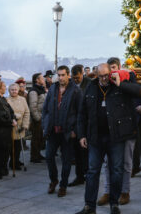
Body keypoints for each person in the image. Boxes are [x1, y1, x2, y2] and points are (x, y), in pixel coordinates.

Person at [74, 63, 141, 214]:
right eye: (101, 76)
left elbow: (139, 92)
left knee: (117, 170)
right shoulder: (91, 87)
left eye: (107, 75)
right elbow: (82, 113)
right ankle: (89, 206)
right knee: (92, 171)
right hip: (95, 137)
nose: (105, 78)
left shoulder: (118, 84)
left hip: (115, 138)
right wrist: (81, 135)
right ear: (96, 75)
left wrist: (120, 84)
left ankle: (114, 203)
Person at [98, 57, 138, 206]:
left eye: (114, 68)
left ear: (120, 68)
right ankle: (108, 191)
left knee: (127, 163)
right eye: (109, 69)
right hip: (111, 130)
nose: (111, 72)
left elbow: (138, 91)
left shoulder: (127, 79)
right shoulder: (105, 85)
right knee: (108, 163)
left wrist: (121, 82)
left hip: (127, 128)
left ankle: (125, 191)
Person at [43, 65, 82, 197]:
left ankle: (63, 185)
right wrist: (45, 124)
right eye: (58, 75)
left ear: (68, 75)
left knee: (66, 161)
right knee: (49, 157)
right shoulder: (53, 88)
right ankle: (53, 180)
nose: (60, 78)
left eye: (63, 75)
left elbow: (80, 113)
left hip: (67, 131)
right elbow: (45, 109)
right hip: (53, 130)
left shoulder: (76, 91)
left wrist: (75, 130)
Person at [71, 64, 90, 186]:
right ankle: (79, 176)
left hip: (86, 122)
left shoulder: (90, 84)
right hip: (74, 122)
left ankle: (88, 175)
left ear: (82, 74)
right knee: (76, 152)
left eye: (78, 77)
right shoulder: (71, 85)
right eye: (74, 78)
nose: (76, 80)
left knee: (86, 152)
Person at [6, 82, 30, 170]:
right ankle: (13, 162)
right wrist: (17, 116)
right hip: (12, 127)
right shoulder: (6, 100)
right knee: (12, 146)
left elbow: (27, 112)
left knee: (18, 146)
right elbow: (7, 113)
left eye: (15, 90)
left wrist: (25, 125)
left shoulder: (23, 99)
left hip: (20, 127)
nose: (14, 91)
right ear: (9, 91)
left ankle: (17, 160)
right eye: (12, 90)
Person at [28, 73, 47, 163]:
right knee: (36, 137)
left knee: (40, 137)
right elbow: (33, 106)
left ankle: (38, 154)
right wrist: (38, 118)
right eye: (42, 78)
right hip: (38, 118)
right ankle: (34, 156)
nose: (44, 79)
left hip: (42, 117)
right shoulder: (33, 91)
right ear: (37, 80)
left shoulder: (41, 89)